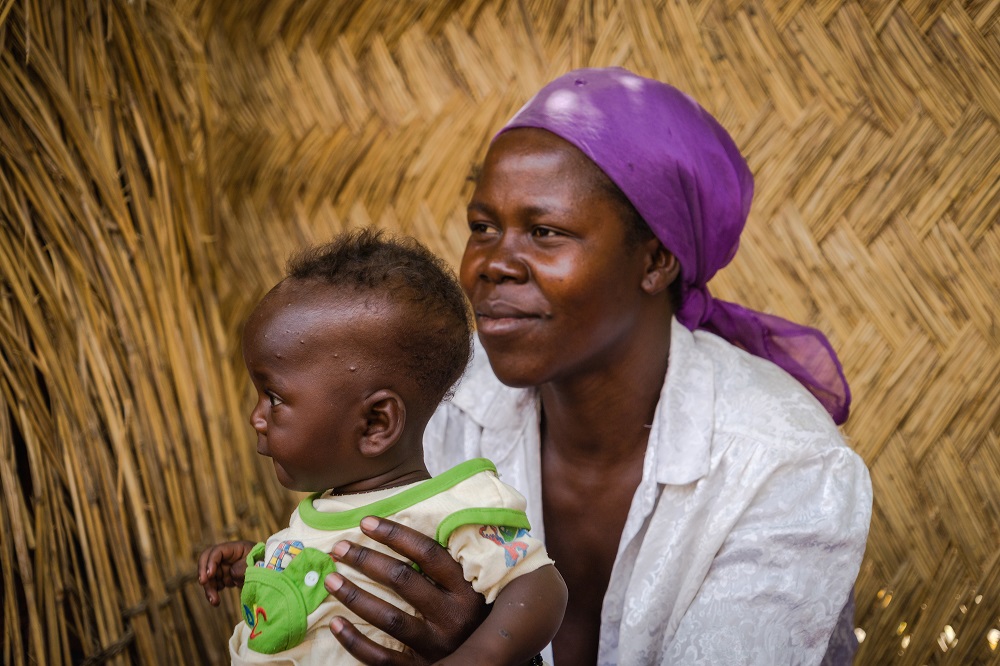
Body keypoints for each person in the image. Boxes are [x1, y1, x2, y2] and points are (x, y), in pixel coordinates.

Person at [320, 67, 873, 665]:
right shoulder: (445, 397)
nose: (492, 264)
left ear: (655, 261)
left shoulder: (781, 465)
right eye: (483, 227)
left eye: (545, 231)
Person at [197, 229, 567, 665]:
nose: (256, 417)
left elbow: (539, 587)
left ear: (376, 423)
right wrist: (263, 566)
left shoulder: (451, 509)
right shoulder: (327, 511)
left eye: (273, 398)